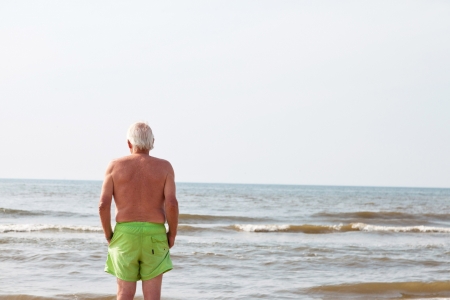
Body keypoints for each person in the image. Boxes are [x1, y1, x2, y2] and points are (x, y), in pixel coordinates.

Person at [99, 122, 179, 300]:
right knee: (152, 296)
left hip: (125, 235)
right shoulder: (165, 167)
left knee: (124, 294)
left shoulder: (114, 166)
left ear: (129, 143)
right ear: (152, 142)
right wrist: (172, 234)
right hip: (155, 234)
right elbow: (172, 204)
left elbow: (103, 205)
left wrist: (108, 235)